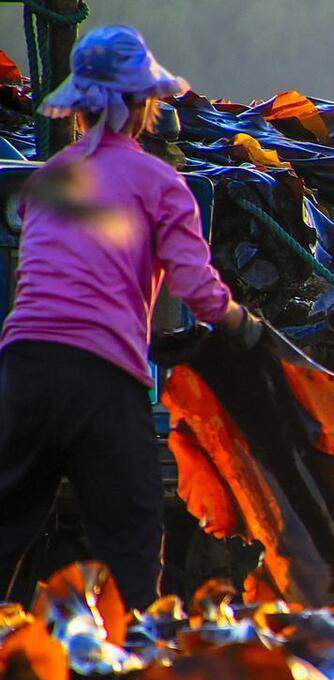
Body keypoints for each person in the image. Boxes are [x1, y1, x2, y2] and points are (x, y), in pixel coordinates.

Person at [0, 26, 258, 609]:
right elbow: (197, 289)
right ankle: (138, 673)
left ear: (81, 107)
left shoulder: (48, 180)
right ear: (141, 108)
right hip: (101, 380)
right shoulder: (159, 182)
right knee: (132, 542)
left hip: (23, 372)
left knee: (8, 527)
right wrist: (243, 325)